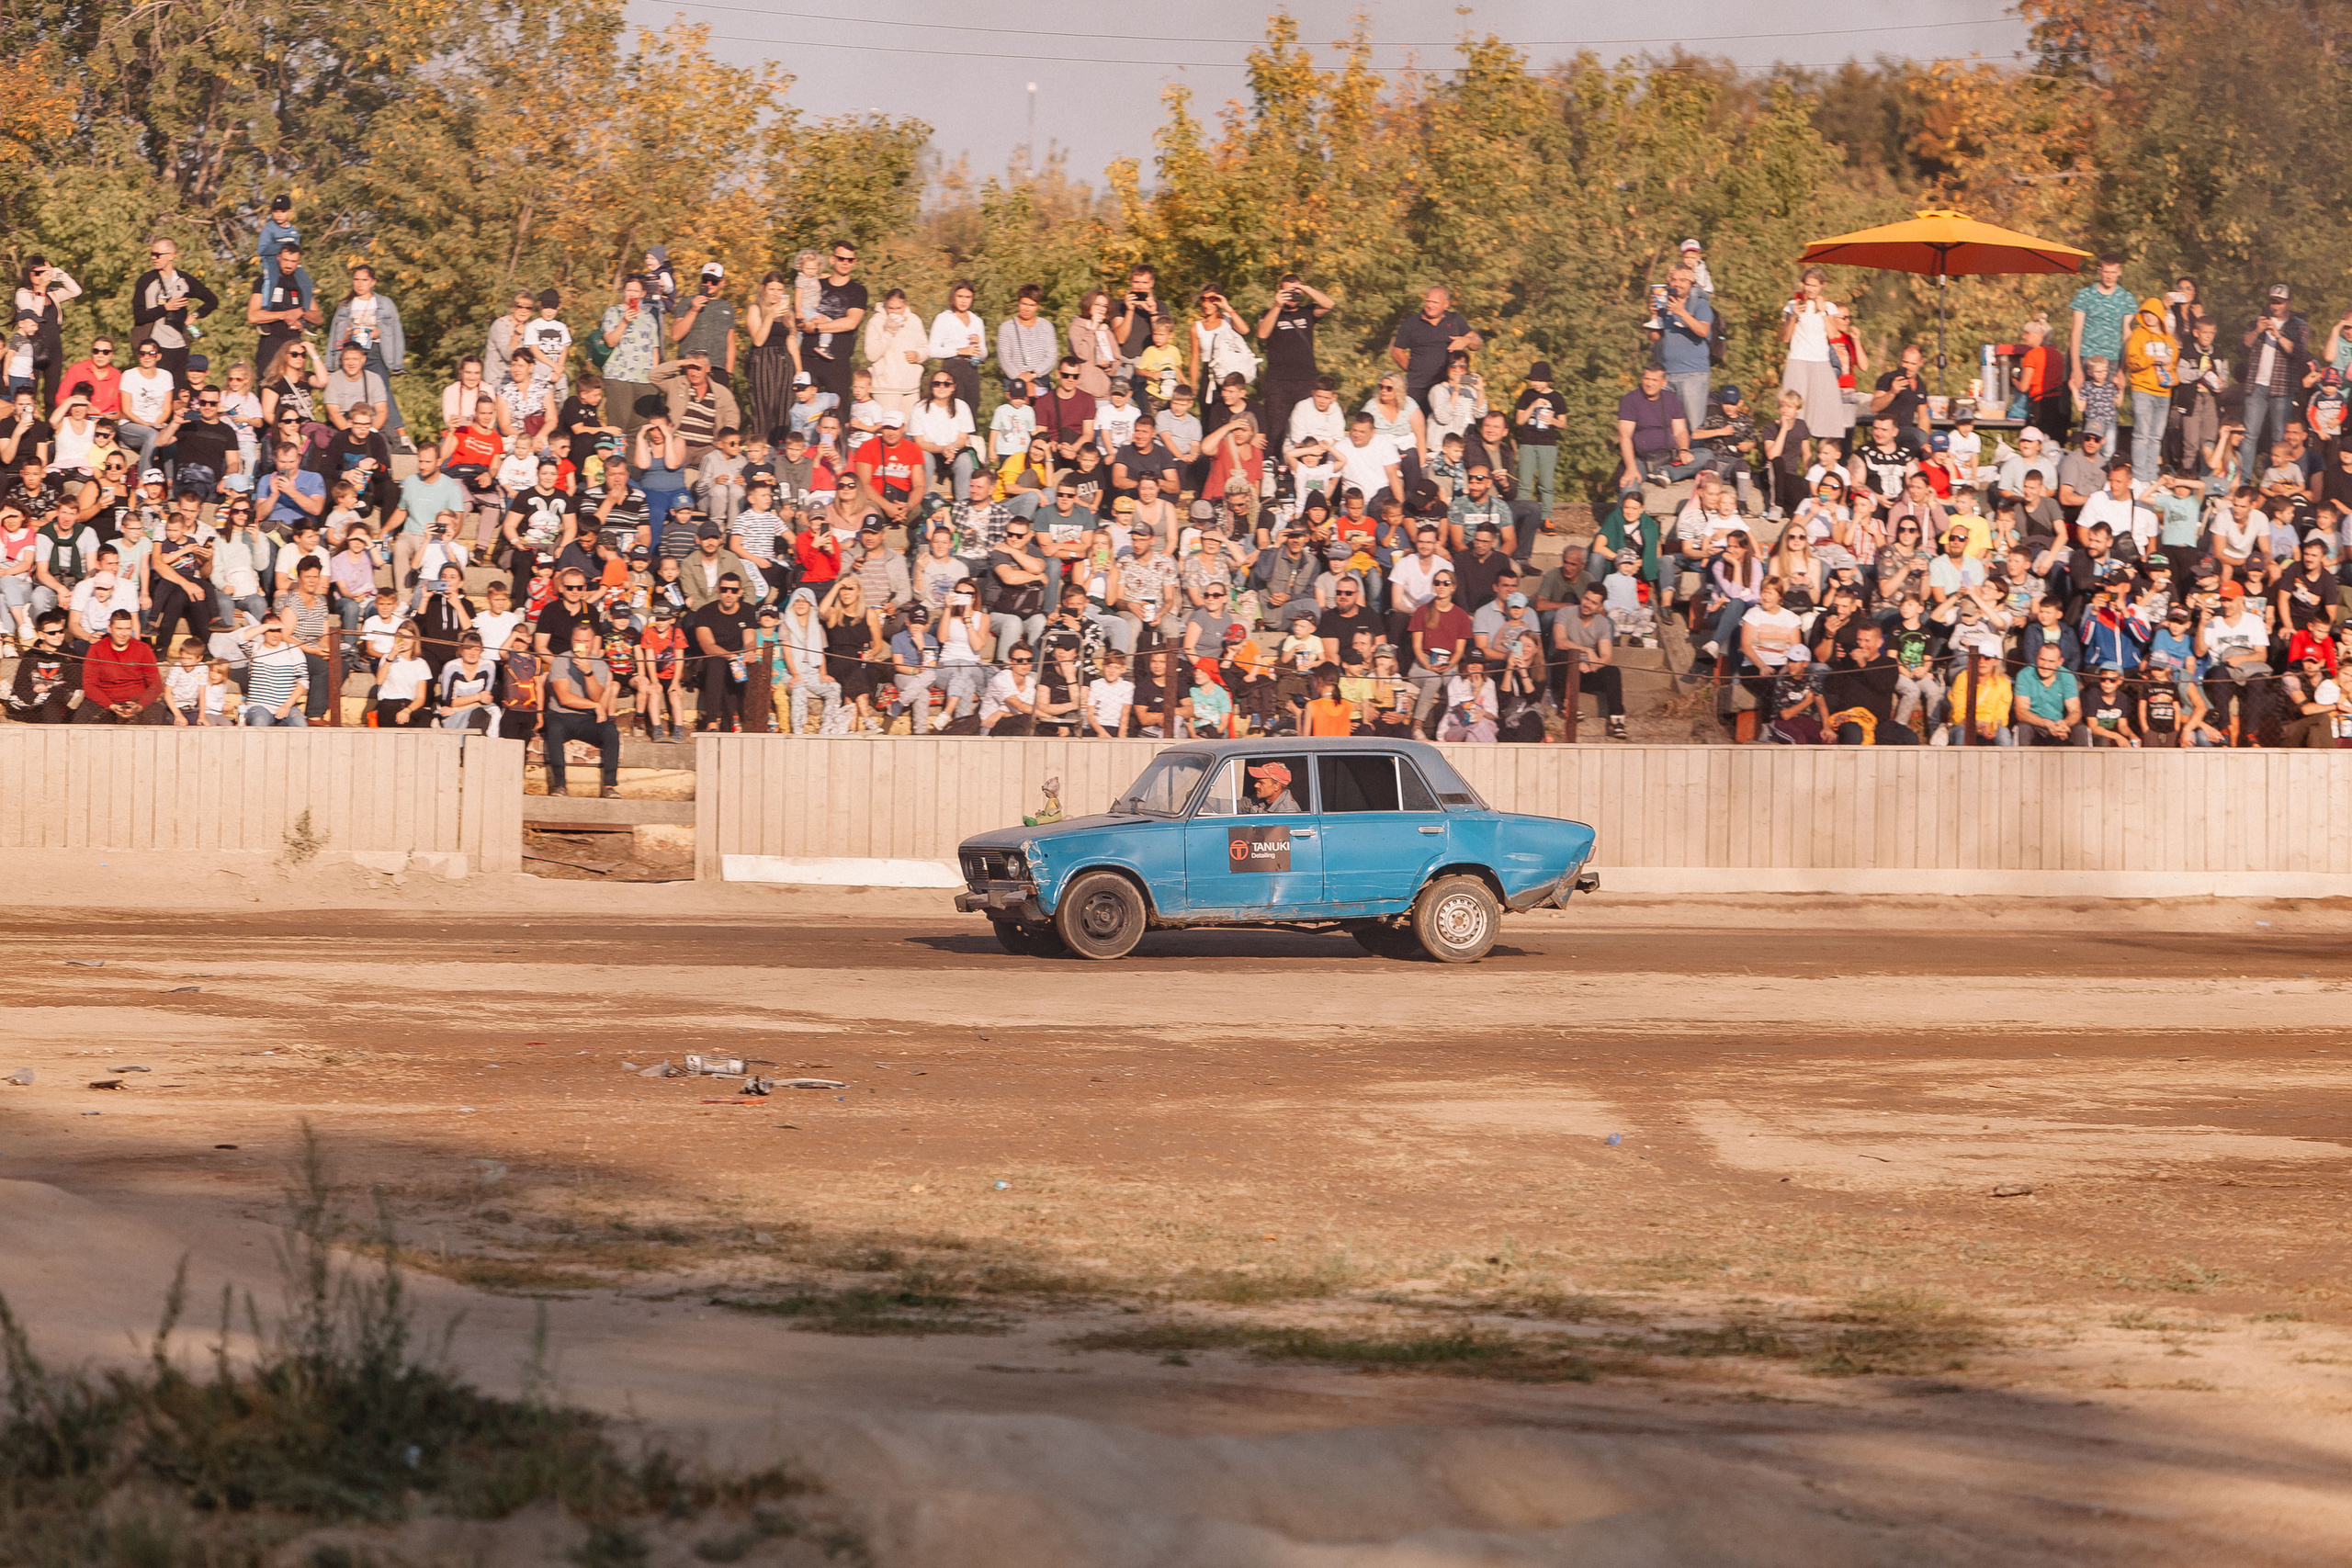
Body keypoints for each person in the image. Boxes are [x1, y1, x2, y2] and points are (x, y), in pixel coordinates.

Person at [542, 622, 621, 795]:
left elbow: (596, 696)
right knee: (554, 730)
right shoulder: (561, 661)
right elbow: (564, 698)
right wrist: (595, 706)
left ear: (592, 641)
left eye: (586, 641)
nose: (582, 645)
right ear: (572, 640)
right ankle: (560, 784)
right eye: (578, 640)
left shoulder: (599, 665)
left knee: (611, 731)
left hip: (587, 719)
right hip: (561, 715)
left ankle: (609, 785)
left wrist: (588, 672)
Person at [132, 239, 220, 390]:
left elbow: (212, 300)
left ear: (171, 255)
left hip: (179, 346)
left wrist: (195, 315)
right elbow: (139, 316)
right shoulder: (146, 280)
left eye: (157, 254)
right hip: (155, 347)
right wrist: (166, 307)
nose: (153, 258)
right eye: (152, 254)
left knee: (176, 392)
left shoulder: (184, 279)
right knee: (155, 391)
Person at [1255, 273, 1333, 441]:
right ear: (1279, 292)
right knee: (1276, 425)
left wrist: (1304, 288)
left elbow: (1329, 304)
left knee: (1306, 423)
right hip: (1278, 381)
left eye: (1295, 292)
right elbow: (1262, 334)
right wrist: (1277, 305)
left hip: (1306, 379)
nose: (1292, 296)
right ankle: (1273, 461)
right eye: (1287, 292)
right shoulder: (1269, 313)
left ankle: (1304, 461)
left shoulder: (1308, 312)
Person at [1778, 265, 1850, 442]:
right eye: (1807, 285)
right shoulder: (1792, 305)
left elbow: (1833, 335)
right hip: (1798, 359)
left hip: (1820, 361)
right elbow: (1785, 338)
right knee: (1793, 409)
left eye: (1814, 285)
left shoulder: (1830, 307)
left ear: (1822, 286)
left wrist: (1824, 311)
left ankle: (1825, 456)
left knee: (1825, 412)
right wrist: (1793, 317)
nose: (1810, 289)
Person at [1389, 286, 1479, 413]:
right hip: (1418, 388)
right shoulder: (1411, 323)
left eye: (1435, 302)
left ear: (1446, 304)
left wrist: (1467, 340)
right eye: (1428, 301)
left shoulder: (1455, 320)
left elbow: (1478, 343)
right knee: (1418, 428)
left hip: (1448, 386)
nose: (1430, 305)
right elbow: (1396, 352)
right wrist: (1415, 369)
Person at [799, 241, 867, 407]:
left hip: (837, 361)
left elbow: (851, 323)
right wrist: (806, 322)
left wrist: (816, 327)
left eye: (849, 260)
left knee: (839, 412)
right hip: (807, 358)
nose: (845, 262)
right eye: (841, 258)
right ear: (832, 259)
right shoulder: (815, 283)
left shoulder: (858, 291)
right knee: (803, 413)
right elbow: (799, 311)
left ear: (854, 262)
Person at [1648, 265, 1713, 431]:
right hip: (1666, 375)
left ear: (1691, 283)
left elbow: (1703, 330)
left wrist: (1681, 312)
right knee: (1664, 424)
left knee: (1693, 426)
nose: (1677, 284)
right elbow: (1655, 338)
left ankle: (1695, 456)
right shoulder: (1666, 304)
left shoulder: (1700, 304)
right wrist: (1654, 314)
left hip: (1692, 374)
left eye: (1683, 280)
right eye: (1674, 279)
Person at [1617, 366, 1698, 490]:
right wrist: (1631, 468)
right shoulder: (1630, 400)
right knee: (1628, 488)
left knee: (1705, 455)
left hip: (1668, 457)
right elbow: (1624, 436)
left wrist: (1683, 450)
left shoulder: (1671, 398)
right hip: (1642, 459)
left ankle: (1665, 473)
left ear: (1663, 383)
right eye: (1646, 379)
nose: (1649, 384)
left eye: (1654, 380)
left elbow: (1680, 430)